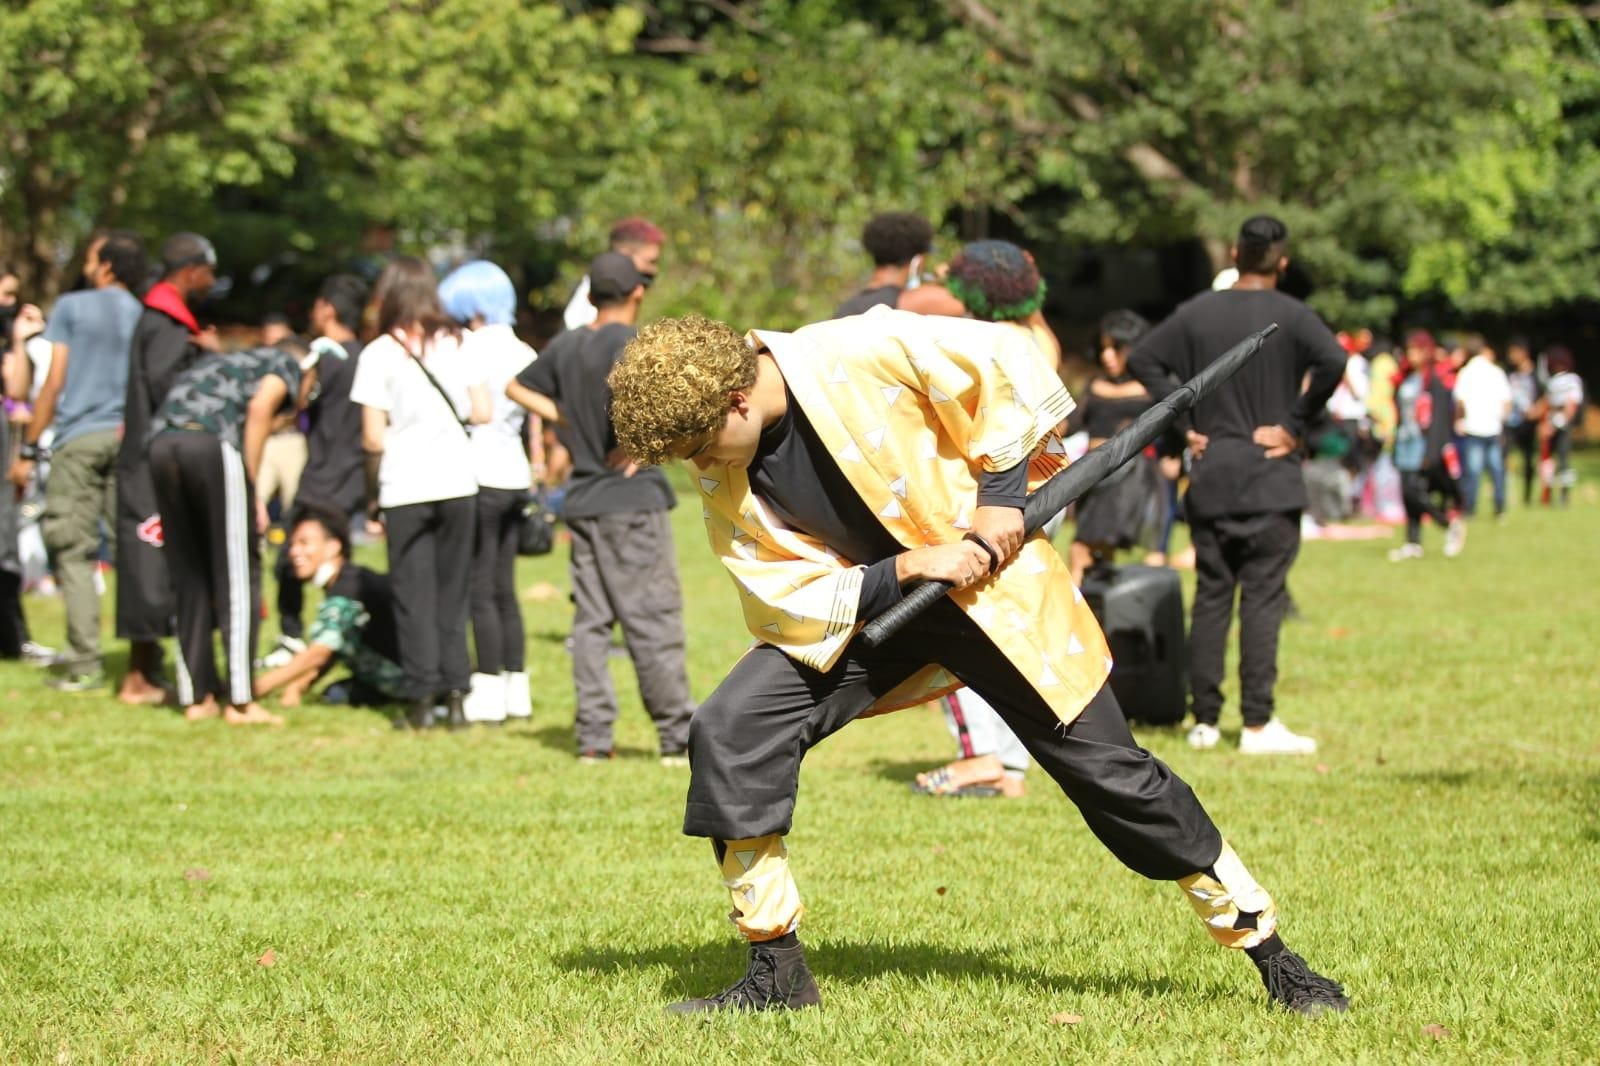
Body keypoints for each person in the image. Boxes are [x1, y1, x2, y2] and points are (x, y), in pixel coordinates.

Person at [606, 310, 1348, 1017]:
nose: (700, 466)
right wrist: (906, 569)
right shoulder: (722, 463)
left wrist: (998, 498)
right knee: (733, 728)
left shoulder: (859, 349)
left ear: (737, 400)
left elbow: (1002, 356)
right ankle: (777, 972)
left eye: (700, 446)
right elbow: (782, 585)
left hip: (996, 596)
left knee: (1114, 776)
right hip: (877, 610)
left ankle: (1270, 952)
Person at [1128, 216, 1345, 756]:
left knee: (1212, 598)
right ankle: (1257, 724)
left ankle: (1203, 721)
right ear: (1283, 262)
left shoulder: (1197, 312)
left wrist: (1183, 424)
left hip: (1212, 473)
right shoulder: (1294, 316)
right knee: (1263, 600)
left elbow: (1143, 358)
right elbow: (1334, 360)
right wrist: (1296, 424)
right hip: (1270, 476)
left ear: (1233, 254)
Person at [507, 252, 693, 762]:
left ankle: (593, 739)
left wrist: (565, 418)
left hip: (585, 502)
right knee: (651, 616)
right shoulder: (639, 346)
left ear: (589, 295)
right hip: (630, 502)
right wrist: (642, 442)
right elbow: (686, 406)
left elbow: (516, 387)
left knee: (591, 622)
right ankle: (676, 735)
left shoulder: (567, 345)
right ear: (637, 292)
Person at [904, 239, 1062, 798]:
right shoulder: (1040, 339)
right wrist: (1022, 275)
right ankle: (1010, 762)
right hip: (1043, 491)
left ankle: (980, 758)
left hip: (986, 495)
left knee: (956, 623)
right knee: (1012, 626)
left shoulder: (969, 340)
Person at [350, 256, 490, 731]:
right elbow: (482, 409)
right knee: (454, 593)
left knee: (413, 596)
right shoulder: (460, 341)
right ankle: (456, 697)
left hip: (405, 484)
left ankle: (420, 701)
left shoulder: (378, 354)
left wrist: (370, 494)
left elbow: (371, 438)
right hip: (458, 481)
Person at [148, 337, 317, 724]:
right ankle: (241, 701)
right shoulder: (284, 363)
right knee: (238, 576)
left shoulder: (228, 361)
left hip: (161, 447)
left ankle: (196, 696)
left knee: (188, 575)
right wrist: (251, 484)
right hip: (209, 446)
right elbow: (260, 408)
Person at [6, 232, 147, 688]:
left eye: (89, 258)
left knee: (71, 547)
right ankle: (145, 658)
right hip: (129, 439)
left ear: (105, 266)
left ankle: (85, 662)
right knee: (134, 550)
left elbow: (54, 381)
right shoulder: (143, 311)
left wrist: (28, 449)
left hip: (80, 436)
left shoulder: (73, 306)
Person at [115, 232, 220, 705]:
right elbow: (168, 388)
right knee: (151, 564)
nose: (212, 282)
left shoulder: (159, 317)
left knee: (154, 563)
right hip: (150, 465)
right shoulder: (166, 321)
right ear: (190, 269)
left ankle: (149, 668)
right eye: (209, 271)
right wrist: (206, 360)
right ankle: (138, 676)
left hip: (146, 460)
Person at [439, 260, 536, 724]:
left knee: (480, 586)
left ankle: (489, 688)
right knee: (504, 586)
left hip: (478, 473)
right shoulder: (523, 350)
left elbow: (467, 409)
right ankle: (518, 688)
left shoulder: (468, 349)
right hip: (515, 474)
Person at [267, 274, 370, 659]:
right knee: (338, 561)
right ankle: (342, 632)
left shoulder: (324, 358)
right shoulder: (367, 357)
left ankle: (293, 638)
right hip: (354, 475)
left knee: (288, 560)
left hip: (323, 475)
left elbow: (297, 406)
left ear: (327, 307)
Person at [253, 504, 406, 708]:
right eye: (293, 544)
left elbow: (321, 652)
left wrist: (256, 688)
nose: (294, 552)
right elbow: (336, 647)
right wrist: (298, 687)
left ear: (334, 546)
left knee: (338, 694)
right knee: (333, 694)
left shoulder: (350, 588)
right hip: (386, 676)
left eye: (304, 543)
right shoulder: (347, 579)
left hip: (408, 679)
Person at [1066, 309, 1162, 584]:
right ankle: (1097, 608)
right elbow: (1071, 424)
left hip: (1127, 476)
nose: (1107, 356)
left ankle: (1076, 608)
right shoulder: (1095, 385)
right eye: (1103, 348)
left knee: (1082, 546)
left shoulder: (1152, 388)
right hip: (1092, 475)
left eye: (1116, 348)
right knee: (1099, 552)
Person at [1387, 331, 1465, 562]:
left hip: (1422, 445)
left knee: (1415, 491)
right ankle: (1413, 542)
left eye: (1415, 350)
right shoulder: (1406, 379)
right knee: (1406, 494)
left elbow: (1440, 420)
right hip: (1404, 441)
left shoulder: (1433, 382)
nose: (1411, 355)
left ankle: (1447, 523)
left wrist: (1432, 452)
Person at [562, 217, 664, 332]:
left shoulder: (629, 296)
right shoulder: (591, 298)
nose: (654, 270)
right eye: (651, 262)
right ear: (625, 254)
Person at [1453, 337, 1512, 519]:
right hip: (1493, 426)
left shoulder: (1466, 373)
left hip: (1473, 427)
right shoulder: (1496, 372)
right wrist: (1501, 420)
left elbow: (1460, 401)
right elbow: (1507, 402)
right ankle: (1500, 507)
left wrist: (1459, 419)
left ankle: (1470, 508)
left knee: (1473, 471)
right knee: (1497, 470)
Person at [1543, 346, 1584, 507]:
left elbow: (1570, 404)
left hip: (1562, 425)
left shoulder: (1571, 380)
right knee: (1549, 461)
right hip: (1552, 423)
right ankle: (1548, 493)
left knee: (1563, 460)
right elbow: (1548, 404)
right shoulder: (1552, 381)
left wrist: (1559, 422)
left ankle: (1564, 495)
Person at [1504, 339, 1542, 507]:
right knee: (1505, 456)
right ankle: (1505, 493)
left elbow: (1546, 395)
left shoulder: (1537, 374)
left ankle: (1527, 496)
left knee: (1528, 460)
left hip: (1529, 424)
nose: (1511, 356)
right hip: (1511, 422)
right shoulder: (1510, 373)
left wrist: (1537, 411)